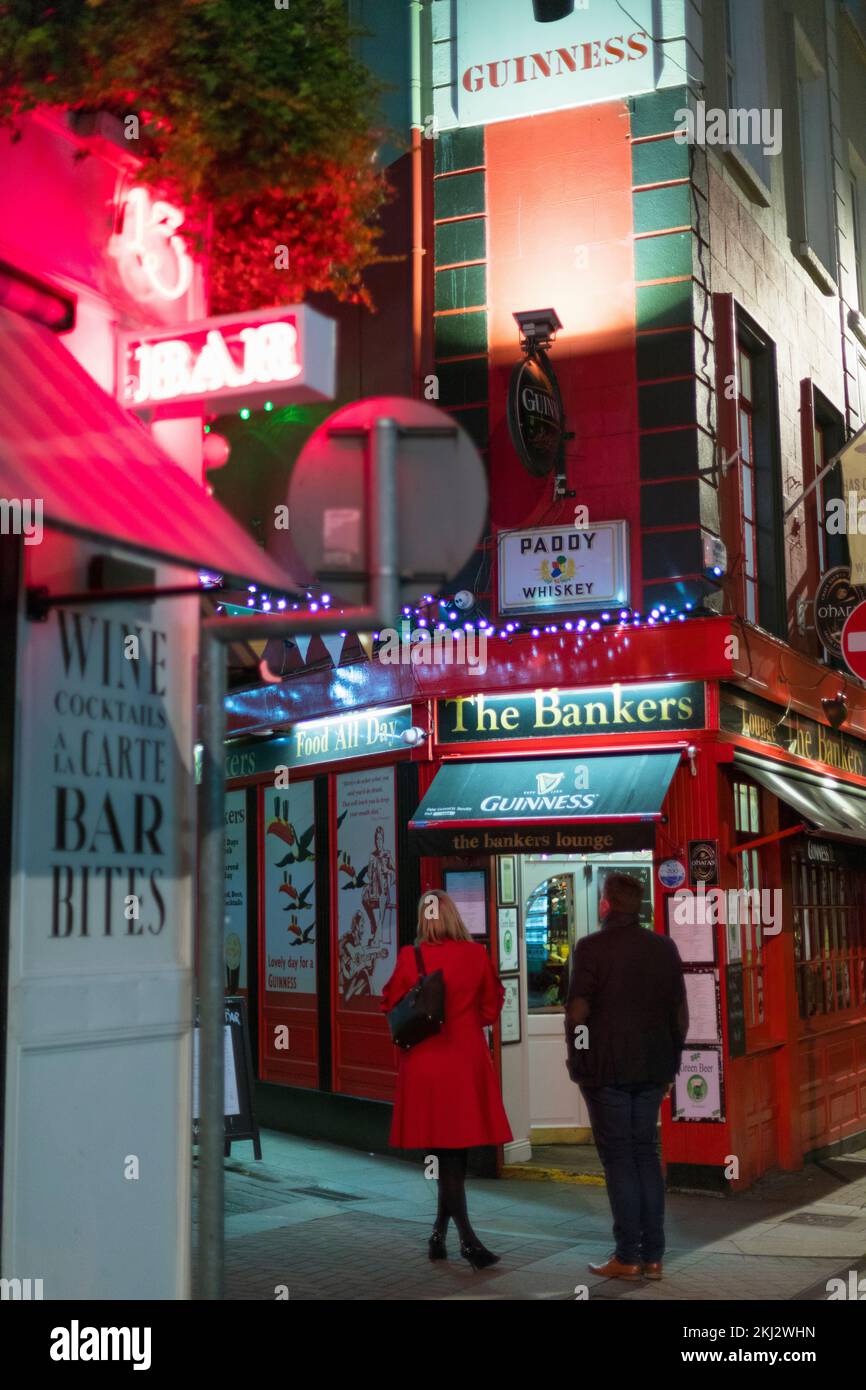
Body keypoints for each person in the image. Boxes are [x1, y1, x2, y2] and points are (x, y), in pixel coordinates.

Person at [565, 871, 688, 1282]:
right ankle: (654, 1255)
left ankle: (627, 1255)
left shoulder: (589, 949)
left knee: (619, 1158)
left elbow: (578, 1014)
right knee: (646, 1155)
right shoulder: (664, 948)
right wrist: (671, 1064)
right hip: (652, 1069)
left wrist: (579, 1061)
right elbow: (679, 1017)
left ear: (605, 904)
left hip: (607, 1071)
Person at [381, 890, 512, 1270]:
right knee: (456, 1155)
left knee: (442, 1155)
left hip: (424, 1067)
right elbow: (491, 1006)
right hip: (465, 1064)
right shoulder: (476, 956)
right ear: (454, 916)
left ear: (424, 918)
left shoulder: (411, 956)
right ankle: (468, 1241)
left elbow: (389, 1004)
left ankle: (441, 1234)